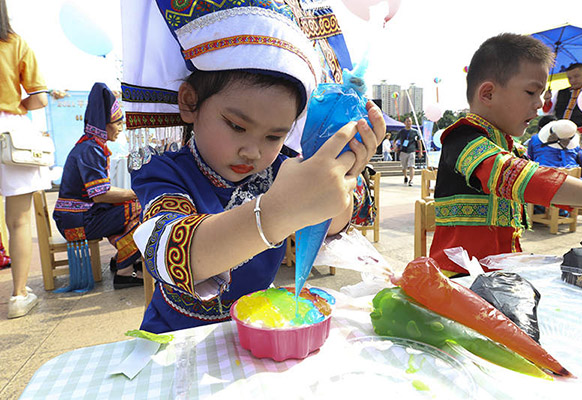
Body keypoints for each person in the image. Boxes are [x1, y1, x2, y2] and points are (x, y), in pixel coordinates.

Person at [126, 1, 385, 334]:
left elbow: (332, 225)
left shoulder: (281, 170)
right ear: (190, 102)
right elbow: (171, 250)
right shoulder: (164, 172)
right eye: (236, 126)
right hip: (175, 341)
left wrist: (340, 179)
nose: (252, 151)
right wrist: (277, 212)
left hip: (259, 330)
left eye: (275, 135)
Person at [429, 33, 582, 276]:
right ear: (487, 94)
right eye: (531, 92)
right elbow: (518, 176)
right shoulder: (463, 137)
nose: (540, 104)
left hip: (500, 275)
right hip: (460, 281)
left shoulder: (511, 147)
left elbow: (544, 184)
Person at [53, 83, 143, 289]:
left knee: (126, 207)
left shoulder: (90, 146)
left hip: (80, 216)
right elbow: (101, 194)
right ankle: (124, 270)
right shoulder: (91, 150)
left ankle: (125, 257)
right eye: (117, 123)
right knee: (140, 208)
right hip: (77, 221)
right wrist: (136, 193)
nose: (121, 128)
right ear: (104, 123)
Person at [1, 0, 51, 318]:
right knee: (18, 220)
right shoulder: (15, 43)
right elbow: (39, 98)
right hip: (9, 133)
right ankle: (18, 296)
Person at [542, 62, 582, 155]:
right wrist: (547, 101)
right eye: (569, 78)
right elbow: (548, 112)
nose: (573, 80)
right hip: (560, 134)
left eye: (576, 76)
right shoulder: (561, 93)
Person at [528, 117, 582, 181]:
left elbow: (530, 159)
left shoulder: (535, 139)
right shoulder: (576, 148)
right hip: (571, 181)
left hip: (542, 179)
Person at [397, 116, 423, 186]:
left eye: (410, 121)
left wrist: (420, 151)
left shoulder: (415, 131)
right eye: (407, 121)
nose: (409, 123)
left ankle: (411, 180)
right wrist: (395, 146)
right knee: (404, 167)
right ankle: (405, 176)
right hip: (403, 151)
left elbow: (419, 141)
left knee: (412, 166)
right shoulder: (402, 131)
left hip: (412, 151)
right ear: (404, 123)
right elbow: (395, 140)